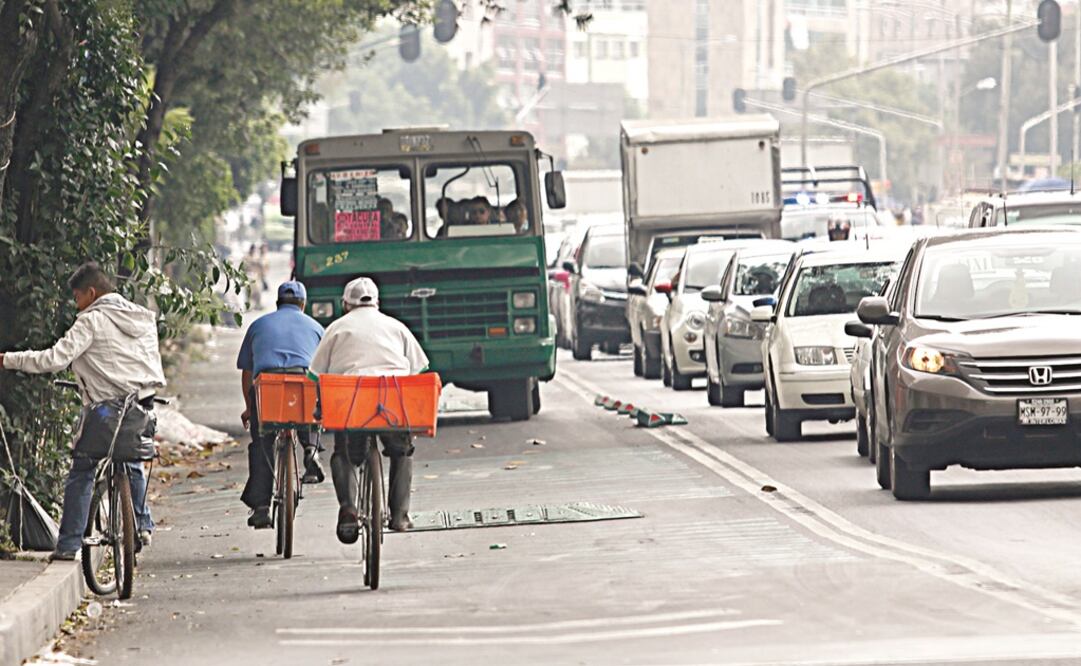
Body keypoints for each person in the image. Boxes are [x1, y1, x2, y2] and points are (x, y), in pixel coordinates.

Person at [0, 262, 165, 560]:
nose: (77, 305)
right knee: (131, 457)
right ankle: (142, 525)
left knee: (82, 470)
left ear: (91, 293)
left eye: (77, 297)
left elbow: (54, 359)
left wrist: (8, 360)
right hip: (143, 404)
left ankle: (68, 546)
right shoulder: (141, 317)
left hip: (107, 411)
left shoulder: (92, 321)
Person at [309, 277, 429, 538]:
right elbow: (419, 368)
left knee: (343, 452)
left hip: (351, 404)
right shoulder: (396, 326)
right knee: (402, 451)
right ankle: (399, 516)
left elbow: (315, 374)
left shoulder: (336, 328)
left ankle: (348, 508)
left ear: (345, 304)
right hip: (392, 403)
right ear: (377, 302)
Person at [236, 281, 326, 529]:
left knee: (262, 441)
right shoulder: (316, 327)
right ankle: (311, 448)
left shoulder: (258, 325)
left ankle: (261, 507)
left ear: (277, 303)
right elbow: (324, 371)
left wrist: (250, 407)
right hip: (303, 381)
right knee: (310, 405)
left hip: (268, 386)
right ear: (303, 304)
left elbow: (247, 372)